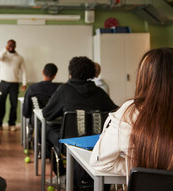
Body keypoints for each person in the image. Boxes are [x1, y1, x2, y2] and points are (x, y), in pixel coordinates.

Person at [90, 47, 173, 182]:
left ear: (144, 78)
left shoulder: (130, 112)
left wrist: (136, 166)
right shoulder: (101, 91)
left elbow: (100, 162)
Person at [42, 56, 118, 188]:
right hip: (97, 145)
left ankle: (60, 172)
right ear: (91, 73)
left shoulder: (64, 90)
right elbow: (114, 113)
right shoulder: (99, 92)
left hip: (70, 146)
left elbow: (47, 114)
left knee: (47, 132)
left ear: (70, 72)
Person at [0, 39, 27, 131]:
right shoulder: (4, 55)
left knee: (14, 105)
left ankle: (11, 124)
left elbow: (24, 71)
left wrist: (24, 83)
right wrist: (5, 50)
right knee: (1, 104)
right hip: (3, 83)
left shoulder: (20, 57)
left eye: (12, 45)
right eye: (9, 45)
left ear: (15, 46)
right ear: (7, 45)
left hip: (14, 84)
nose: (11, 46)